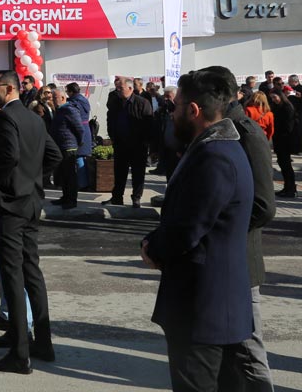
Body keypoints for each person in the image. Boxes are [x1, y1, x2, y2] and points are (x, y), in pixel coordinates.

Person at [142, 69, 256, 391]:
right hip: (213, 307)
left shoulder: (215, 156)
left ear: (193, 111)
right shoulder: (215, 149)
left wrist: (152, 247)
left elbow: (189, 227)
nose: (172, 112)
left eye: (176, 106)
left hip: (204, 309)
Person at [0, 70, 62, 374]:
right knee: (31, 272)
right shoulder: (33, 118)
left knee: (13, 275)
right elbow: (52, 155)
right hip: (30, 202)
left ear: (9, 88)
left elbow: (9, 157)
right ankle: (42, 342)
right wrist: (33, 179)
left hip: (11, 204)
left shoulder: (7, 118)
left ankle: (20, 353)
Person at [213, 68, 278, 391]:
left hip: (240, 259)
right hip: (224, 261)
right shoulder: (223, 130)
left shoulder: (246, 134)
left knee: (249, 350)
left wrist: (225, 233)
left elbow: (264, 206)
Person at [105, 77, 154, 208]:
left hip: (138, 146)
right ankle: (117, 197)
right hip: (120, 144)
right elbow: (110, 119)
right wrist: (113, 136)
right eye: (117, 89)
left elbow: (149, 124)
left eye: (121, 89)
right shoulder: (116, 103)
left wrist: (146, 142)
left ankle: (136, 198)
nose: (118, 91)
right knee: (119, 173)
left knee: (138, 174)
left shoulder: (142, 103)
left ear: (130, 88)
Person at [49, 87, 82, 209]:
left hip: (68, 146)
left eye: (54, 98)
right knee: (63, 173)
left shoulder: (70, 110)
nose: (52, 100)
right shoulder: (60, 110)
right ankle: (65, 196)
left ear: (63, 98)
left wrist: (78, 142)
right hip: (59, 145)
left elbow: (79, 128)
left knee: (70, 174)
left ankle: (72, 199)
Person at [269, 89, 297, 198]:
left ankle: (291, 188)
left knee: (286, 165)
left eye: (274, 97)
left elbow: (288, 126)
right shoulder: (277, 107)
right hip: (279, 140)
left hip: (285, 140)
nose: (273, 100)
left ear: (280, 96)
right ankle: (287, 187)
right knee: (282, 164)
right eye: (272, 98)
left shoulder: (287, 108)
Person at [287, 75, 302, 155]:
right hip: (291, 114)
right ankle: (294, 148)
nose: (288, 83)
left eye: (290, 81)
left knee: (301, 130)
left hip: (300, 113)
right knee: (293, 131)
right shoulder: (290, 90)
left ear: (295, 81)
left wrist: (301, 97)